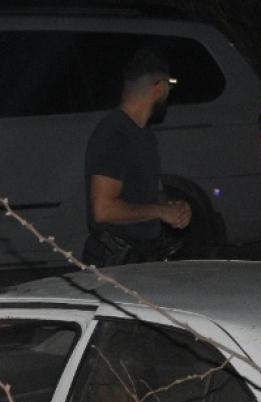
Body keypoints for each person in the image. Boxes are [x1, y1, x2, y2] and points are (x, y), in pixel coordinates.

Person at [82, 46, 192, 267]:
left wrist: (175, 208)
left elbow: (151, 194)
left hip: (140, 257)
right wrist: (161, 212)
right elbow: (103, 209)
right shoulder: (114, 133)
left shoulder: (144, 135)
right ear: (159, 88)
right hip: (113, 262)